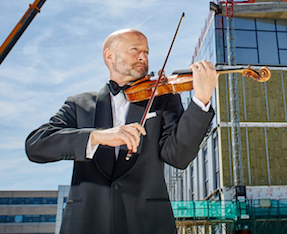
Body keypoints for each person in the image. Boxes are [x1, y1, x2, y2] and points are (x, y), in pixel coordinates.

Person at [25, 28, 217, 234]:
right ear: (109, 56)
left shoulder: (163, 99)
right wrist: (97, 136)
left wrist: (201, 101)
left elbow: (178, 157)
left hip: (147, 224)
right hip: (87, 223)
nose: (143, 56)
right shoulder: (79, 105)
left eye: (146, 52)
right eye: (135, 49)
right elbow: (36, 145)